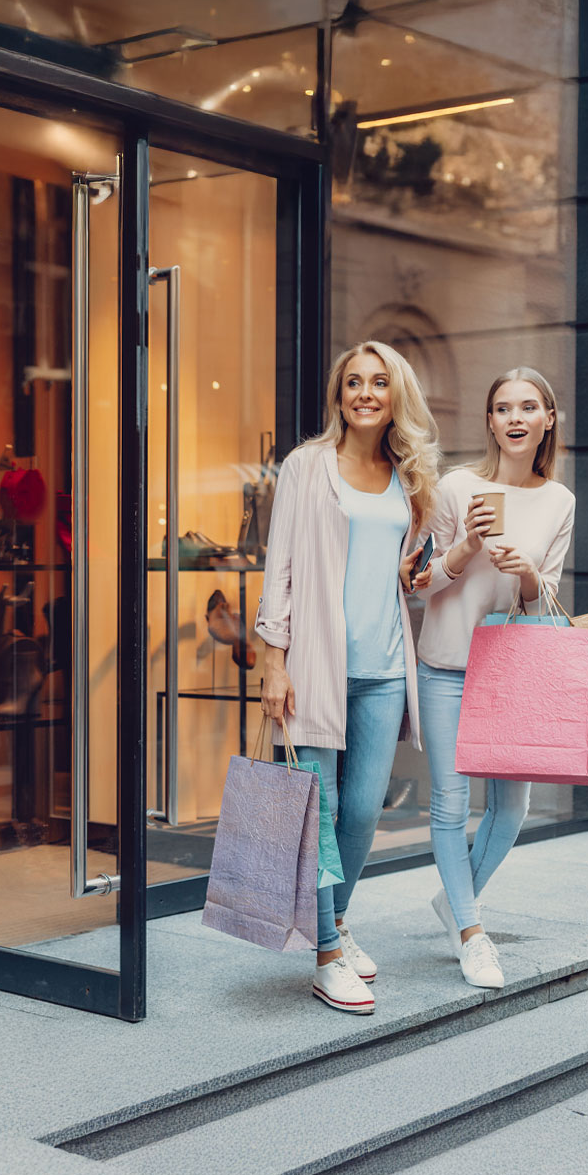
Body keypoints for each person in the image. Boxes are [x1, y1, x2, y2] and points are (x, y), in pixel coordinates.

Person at [256, 340, 440, 1015]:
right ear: (339, 394)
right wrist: (273, 659)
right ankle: (327, 955)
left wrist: (414, 572)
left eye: (379, 382)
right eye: (354, 382)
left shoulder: (408, 477)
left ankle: (334, 922)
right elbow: (280, 563)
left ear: (396, 396)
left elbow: (404, 565)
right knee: (320, 814)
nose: (365, 393)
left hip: (385, 667)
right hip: (316, 665)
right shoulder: (307, 466)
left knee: (363, 810)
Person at [402, 366, 575, 991]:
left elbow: (542, 598)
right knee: (450, 805)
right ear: (491, 422)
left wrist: (526, 572)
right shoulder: (457, 487)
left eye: (528, 407)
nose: (515, 418)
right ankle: (473, 935)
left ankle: (455, 902)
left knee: (512, 807)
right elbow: (416, 582)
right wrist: (466, 548)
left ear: (548, 420)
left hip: (510, 672)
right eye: (503, 408)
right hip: (446, 667)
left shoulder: (559, 501)